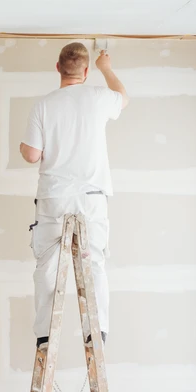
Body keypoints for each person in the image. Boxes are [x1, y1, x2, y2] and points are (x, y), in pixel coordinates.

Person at [20, 42, 129, 349]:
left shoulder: (44, 105)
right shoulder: (98, 98)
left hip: (55, 198)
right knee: (93, 264)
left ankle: (45, 335)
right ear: (86, 71)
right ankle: (97, 331)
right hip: (92, 198)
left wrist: (24, 148)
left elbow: (31, 155)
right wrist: (106, 67)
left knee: (48, 268)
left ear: (57, 67)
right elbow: (123, 98)